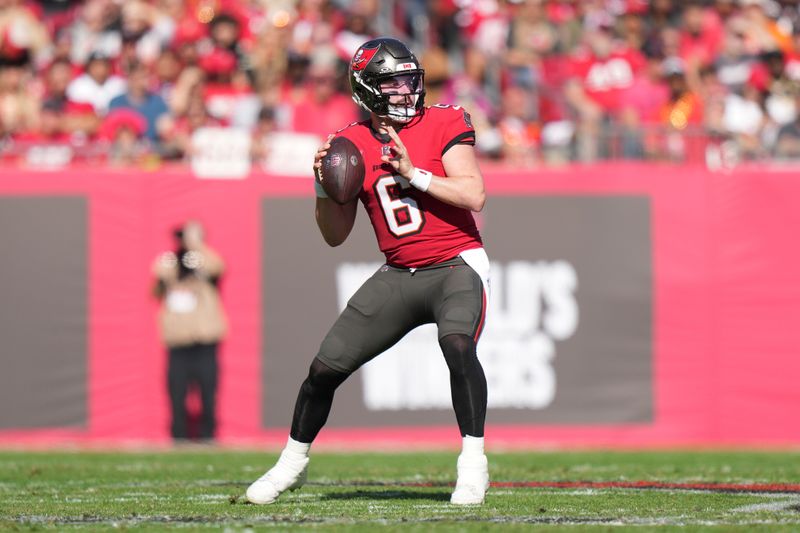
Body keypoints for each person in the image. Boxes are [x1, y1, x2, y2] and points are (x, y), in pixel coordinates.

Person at [246, 37, 491, 506]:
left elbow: (473, 194)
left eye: (408, 79)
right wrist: (323, 189)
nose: (405, 90)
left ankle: (473, 465)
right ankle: (290, 465)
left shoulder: (444, 120)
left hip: (456, 263)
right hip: (399, 272)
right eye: (392, 82)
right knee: (323, 370)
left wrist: (413, 172)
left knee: (457, 346)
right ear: (366, 88)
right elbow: (334, 235)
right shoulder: (350, 142)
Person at [153, 220, 227, 442]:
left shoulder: (204, 259)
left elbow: (217, 266)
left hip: (203, 340)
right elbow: (158, 276)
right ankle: (179, 435)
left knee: (207, 390)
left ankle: (207, 435)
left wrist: (196, 245)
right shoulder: (170, 260)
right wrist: (178, 256)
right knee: (176, 391)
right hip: (178, 341)